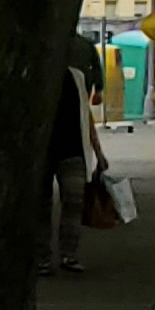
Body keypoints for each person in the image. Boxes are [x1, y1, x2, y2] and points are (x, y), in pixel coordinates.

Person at [49, 45, 100, 274]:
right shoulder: (36, 78)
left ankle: (68, 254)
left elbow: (85, 115)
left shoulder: (77, 78)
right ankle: (42, 256)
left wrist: (98, 152)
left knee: (74, 202)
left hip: (72, 150)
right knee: (41, 206)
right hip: (44, 152)